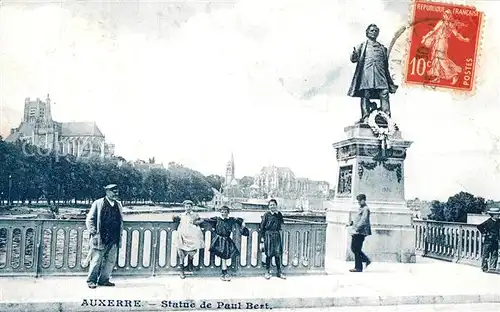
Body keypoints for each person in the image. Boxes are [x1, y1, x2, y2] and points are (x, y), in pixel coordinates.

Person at [348, 24, 398, 122]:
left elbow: (386, 65)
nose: (374, 32)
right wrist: (354, 55)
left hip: (380, 75)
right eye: (371, 30)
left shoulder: (382, 48)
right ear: (367, 32)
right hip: (366, 75)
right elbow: (354, 59)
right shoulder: (362, 46)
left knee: (384, 93)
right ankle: (365, 116)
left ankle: (386, 117)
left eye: (375, 31)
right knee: (365, 94)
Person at [85, 184, 123, 289]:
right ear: (107, 192)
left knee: (110, 261)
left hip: (114, 237)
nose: (115, 193)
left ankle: (104, 280)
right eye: (113, 191)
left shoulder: (118, 204)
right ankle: (91, 280)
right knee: (96, 259)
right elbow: (90, 219)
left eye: (117, 192)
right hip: (101, 237)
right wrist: (93, 232)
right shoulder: (98, 203)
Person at [421, 9, 470, 85]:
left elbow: (456, 34)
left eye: (447, 15)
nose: (445, 16)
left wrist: (464, 39)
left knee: (442, 59)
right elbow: (433, 30)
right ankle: (437, 77)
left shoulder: (451, 25)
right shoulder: (441, 22)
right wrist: (425, 37)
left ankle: (454, 75)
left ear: (449, 16)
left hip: (443, 42)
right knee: (436, 59)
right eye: (444, 14)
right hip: (437, 42)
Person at [203, 205, 249, 281]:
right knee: (222, 256)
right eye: (222, 212)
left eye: (225, 212)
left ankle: (224, 272)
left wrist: (243, 224)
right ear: (220, 212)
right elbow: (208, 220)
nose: (223, 213)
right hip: (218, 239)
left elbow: (240, 220)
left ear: (228, 212)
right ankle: (224, 272)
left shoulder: (231, 219)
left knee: (226, 255)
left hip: (226, 239)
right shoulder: (217, 219)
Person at [172, 200, 205, 279]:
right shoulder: (181, 215)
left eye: (189, 206)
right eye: (186, 206)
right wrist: (174, 217)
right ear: (184, 207)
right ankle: (182, 270)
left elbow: (201, 220)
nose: (188, 208)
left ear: (192, 207)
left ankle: (190, 265)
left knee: (193, 250)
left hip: (191, 235)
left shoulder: (194, 214)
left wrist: (196, 222)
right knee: (181, 252)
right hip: (182, 235)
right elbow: (175, 219)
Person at [260, 199, 286, 279]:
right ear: (268, 206)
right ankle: (267, 271)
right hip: (268, 235)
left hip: (276, 235)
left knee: (277, 254)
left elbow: (282, 223)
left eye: (274, 205)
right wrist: (262, 238)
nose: (272, 206)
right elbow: (262, 227)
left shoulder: (278, 214)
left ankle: (279, 272)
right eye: (271, 205)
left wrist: (277, 215)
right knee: (268, 254)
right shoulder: (266, 215)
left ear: (276, 206)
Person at [349, 194, 372, 272]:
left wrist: (357, 228)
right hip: (357, 231)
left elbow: (364, 221)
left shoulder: (366, 209)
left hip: (360, 232)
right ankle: (360, 265)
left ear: (363, 200)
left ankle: (361, 265)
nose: (358, 202)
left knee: (355, 249)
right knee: (355, 249)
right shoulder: (361, 208)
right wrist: (352, 223)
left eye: (359, 200)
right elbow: (358, 219)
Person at [477, 207, 500, 273]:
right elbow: (479, 226)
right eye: (497, 214)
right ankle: (484, 267)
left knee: (495, 254)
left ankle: (492, 268)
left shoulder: (498, 222)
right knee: (486, 254)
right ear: (492, 215)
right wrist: (484, 233)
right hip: (488, 241)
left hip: (495, 240)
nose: (498, 216)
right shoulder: (488, 221)